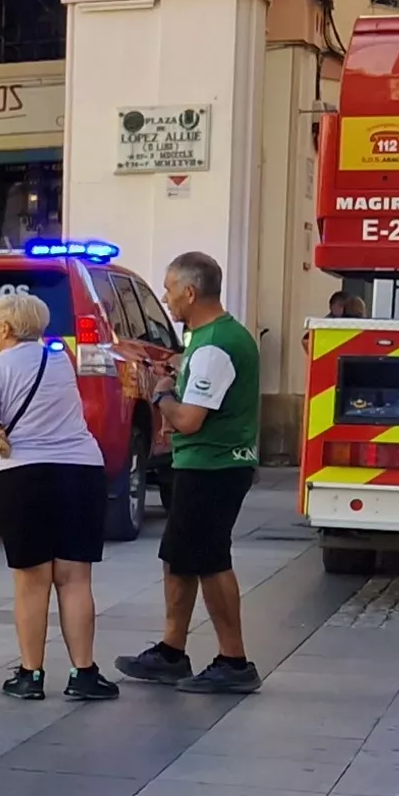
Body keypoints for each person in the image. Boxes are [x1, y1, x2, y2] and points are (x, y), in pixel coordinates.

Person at [116, 250, 262, 695]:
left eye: (169, 288)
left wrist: (161, 396)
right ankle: (171, 651)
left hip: (214, 464)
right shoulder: (209, 338)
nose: (166, 297)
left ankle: (234, 660)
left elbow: (189, 419)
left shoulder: (216, 345)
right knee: (179, 557)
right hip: (202, 463)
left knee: (211, 559)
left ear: (190, 292)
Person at [0, 292, 114, 701]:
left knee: (32, 581)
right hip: (81, 470)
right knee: (75, 577)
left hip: (25, 475)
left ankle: (31, 675)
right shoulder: (60, 360)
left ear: (6, 328)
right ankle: (84, 674)